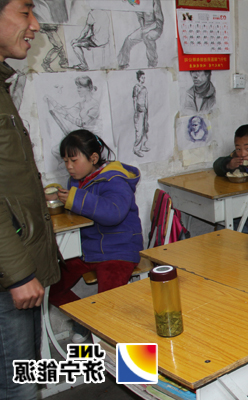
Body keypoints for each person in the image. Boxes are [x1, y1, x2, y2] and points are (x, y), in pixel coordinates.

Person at [0, 1, 60, 398]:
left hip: (15, 268)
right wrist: (20, 274)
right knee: (18, 388)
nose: (35, 25)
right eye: (25, 12)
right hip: (10, 276)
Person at [49, 129, 143, 342]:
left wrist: (74, 199)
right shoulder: (77, 180)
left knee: (109, 307)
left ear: (93, 158)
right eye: (65, 161)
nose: (69, 166)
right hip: (88, 249)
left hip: (119, 250)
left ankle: (111, 347)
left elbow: (113, 213)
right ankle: (84, 321)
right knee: (49, 287)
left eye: (74, 160)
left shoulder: (115, 179)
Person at [117, 0, 164, 69]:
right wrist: (142, 26)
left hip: (156, 28)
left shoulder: (154, 1)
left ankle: (152, 64)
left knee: (147, 37)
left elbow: (159, 22)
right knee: (129, 39)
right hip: (145, 28)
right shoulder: (139, 2)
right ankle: (122, 64)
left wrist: (146, 30)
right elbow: (140, 16)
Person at [132, 69, 149, 157]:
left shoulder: (145, 88)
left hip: (144, 110)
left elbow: (146, 100)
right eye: (142, 77)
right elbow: (134, 99)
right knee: (139, 130)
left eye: (144, 77)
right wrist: (135, 111)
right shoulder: (136, 87)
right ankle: (136, 149)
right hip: (139, 111)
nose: (144, 79)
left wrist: (147, 110)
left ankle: (143, 145)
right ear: (139, 78)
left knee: (145, 128)